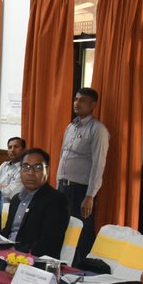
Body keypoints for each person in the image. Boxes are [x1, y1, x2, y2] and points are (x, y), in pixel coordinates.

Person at [56, 88, 109, 263]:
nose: (77, 103)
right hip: (63, 187)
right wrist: (57, 185)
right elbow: (63, 156)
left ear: (93, 105)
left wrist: (90, 195)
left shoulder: (98, 130)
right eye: (76, 99)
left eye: (83, 100)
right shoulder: (70, 127)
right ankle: (62, 263)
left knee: (81, 232)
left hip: (81, 190)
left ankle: (80, 268)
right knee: (63, 228)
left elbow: (98, 164)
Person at [0, 148, 71, 259]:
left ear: (47, 170)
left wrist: (16, 252)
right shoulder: (16, 199)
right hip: (7, 256)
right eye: (26, 167)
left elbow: (49, 243)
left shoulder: (56, 200)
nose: (30, 173)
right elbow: (7, 232)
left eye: (37, 168)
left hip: (32, 261)